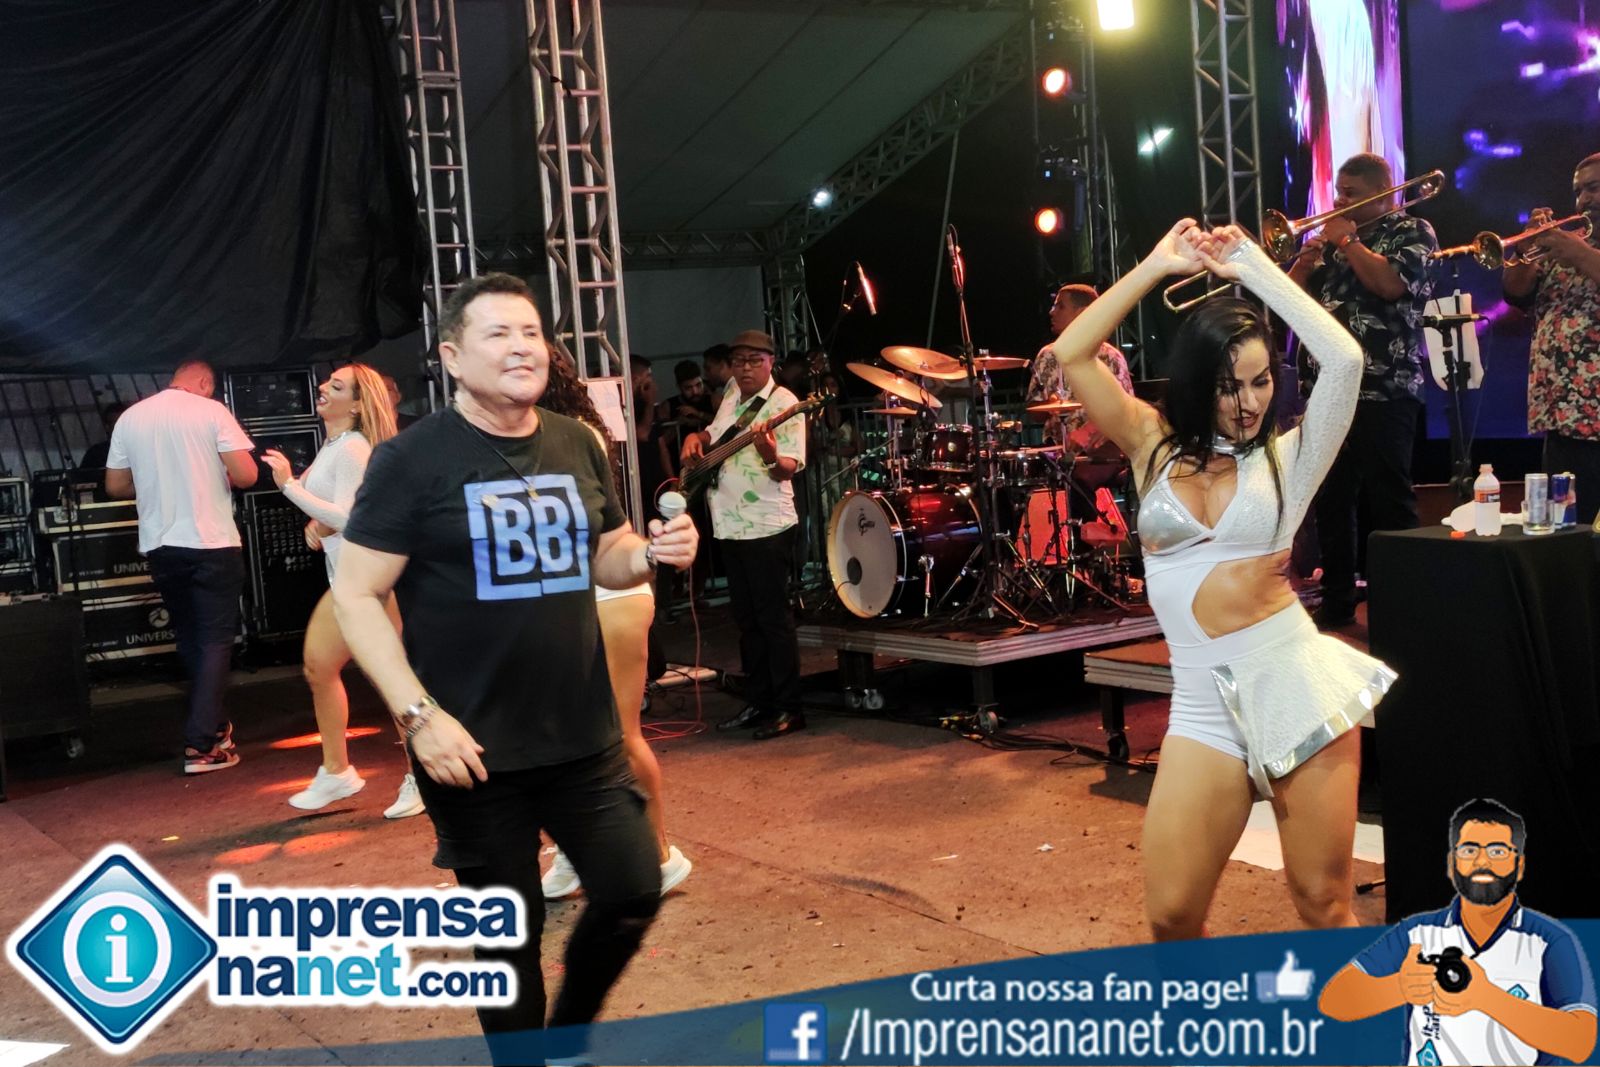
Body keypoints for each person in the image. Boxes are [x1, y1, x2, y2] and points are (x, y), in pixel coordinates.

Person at [332, 272, 698, 1060]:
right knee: (509, 938)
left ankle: (565, 1038)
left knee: (633, 887)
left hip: (582, 734)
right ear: (452, 357)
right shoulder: (410, 460)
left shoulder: (576, 441)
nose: (522, 347)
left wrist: (650, 554)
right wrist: (419, 718)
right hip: (471, 749)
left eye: (531, 332)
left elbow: (606, 549)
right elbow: (355, 592)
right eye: (498, 334)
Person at [1051, 220, 1394, 940]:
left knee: (1322, 905)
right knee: (1171, 914)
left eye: (1261, 381)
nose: (1248, 402)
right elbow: (1074, 351)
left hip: (1293, 688)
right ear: (1195, 383)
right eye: (1227, 385)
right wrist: (1155, 265)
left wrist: (1255, 269)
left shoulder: (1290, 457)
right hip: (1202, 706)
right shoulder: (1150, 444)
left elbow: (1346, 361)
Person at [533, 353, 692, 902]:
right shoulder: (535, 433)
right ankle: (576, 851)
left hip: (610, 594)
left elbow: (577, 530)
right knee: (560, 739)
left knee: (619, 737)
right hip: (573, 600)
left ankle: (660, 856)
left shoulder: (576, 435)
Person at [1320, 798, 1596, 1066]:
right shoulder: (1419, 932)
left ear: (1519, 865)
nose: (1482, 861)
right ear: (1452, 864)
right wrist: (1399, 987)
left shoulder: (1549, 941)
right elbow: (1334, 1000)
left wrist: (1486, 998)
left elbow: (1581, 1041)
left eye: (1497, 851)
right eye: (1469, 850)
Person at [259, 363, 419, 818]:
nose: (322, 388)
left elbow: (352, 517)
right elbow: (339, 509)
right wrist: (317, 521)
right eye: (326, 382)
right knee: (321, 667)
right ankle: (337, 771)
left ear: (357, 404)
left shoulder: (351, 448)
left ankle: (420, 774)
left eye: (337, 385)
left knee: (390, 680)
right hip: (349, 579)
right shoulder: (335, 445)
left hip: (368, 581)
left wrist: (289, 486)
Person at [1287, 153, 1437, 628]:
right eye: (1338, 191)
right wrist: (1304, 264)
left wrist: (1348, 241)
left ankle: (1406, 610)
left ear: (1381, 194)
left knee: (1388, 500)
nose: (1338, 201)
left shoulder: (1412, 231)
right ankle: (1336, 605)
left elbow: (1389, 285)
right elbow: (1290, 306)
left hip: (1383, 389)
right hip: (1327, 392)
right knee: (1331, 503)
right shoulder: (1335, 245)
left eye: (1350, 193)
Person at [105, 361, 258, 774]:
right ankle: (200, 744)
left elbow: (115, 485)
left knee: (190, 639)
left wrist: (155, 484)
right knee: (215, 641)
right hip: (212, 543)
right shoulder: (212, 411)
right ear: (205, 382)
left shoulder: (132, 417)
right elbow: (247, 475)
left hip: (161, 545)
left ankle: (215, 727)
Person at [681, 329, 807, 740]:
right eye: (739, 361)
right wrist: (696, 437)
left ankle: (788, 707)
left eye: (755, 360)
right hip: (729, 524)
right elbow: (717, 432)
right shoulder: (733, 392)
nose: (746, 368)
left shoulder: (786, 404)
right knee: (747, 620)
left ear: (771, 362)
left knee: (773, 620)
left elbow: (789, 468)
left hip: (767, 525)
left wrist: (771, 456)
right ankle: (760, 700)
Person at [1503, 151, 1600, 524]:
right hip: (1562, 416)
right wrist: (1525, 249)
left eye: (1594, 188)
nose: (1583, 200)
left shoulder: (1573, 247)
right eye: (1578, 191)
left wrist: (1577, 252)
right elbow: (1515, 292)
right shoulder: (1565, 243)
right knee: (1567, 529)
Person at [1026, 283, 1134, 447]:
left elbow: (1126, 410)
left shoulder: (1110, 356)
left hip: (1100, 452)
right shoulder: (1048, 355)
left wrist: (1087, 435)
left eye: (1060, 306)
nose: (1052, 312)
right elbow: (1035, 412)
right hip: (1057, 450)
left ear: (1082, 313)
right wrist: (1050, 405)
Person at [74, 402, 127, 500]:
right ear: (107, 427)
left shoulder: (138, 450)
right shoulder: (95, 453)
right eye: (116, 423)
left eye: (124, 423)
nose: (121, 427)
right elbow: (83, 482)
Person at [669, 358, 715, 433]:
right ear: (679, 387)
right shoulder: (668, 406)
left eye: (698, 385)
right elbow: (661, 438)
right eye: (688, 388)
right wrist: (678, 423)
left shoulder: (714, 401)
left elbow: (726, 423)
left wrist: (699, 414)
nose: (695, 392)